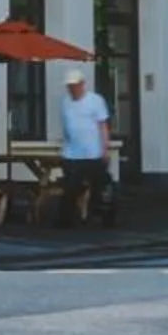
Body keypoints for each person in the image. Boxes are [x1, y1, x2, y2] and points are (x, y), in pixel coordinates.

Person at [58, 68, 115, 227]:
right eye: (69, 86)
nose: (72, 88)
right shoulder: (65, 102)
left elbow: (103, 125)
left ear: (82, 84)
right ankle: (66, 220)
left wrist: (105, 148)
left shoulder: (95, 100)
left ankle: (100, 217)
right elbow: (66, 125)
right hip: (72, 154)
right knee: (71, 188)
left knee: (99, 188)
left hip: (93, 153)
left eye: (74, 85)